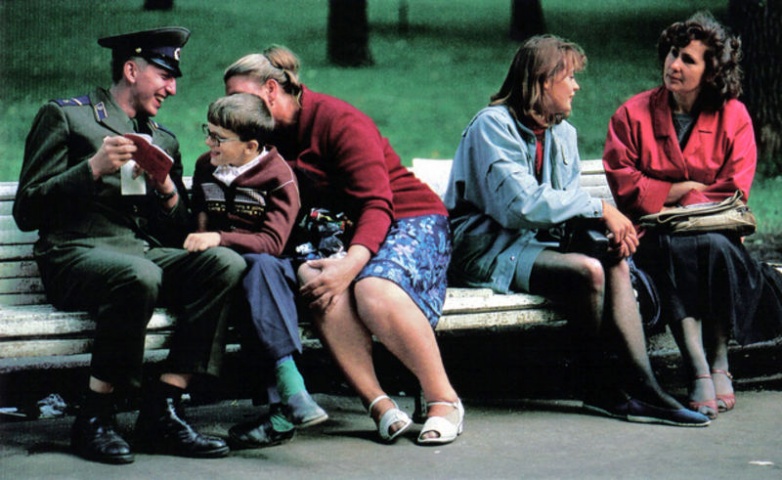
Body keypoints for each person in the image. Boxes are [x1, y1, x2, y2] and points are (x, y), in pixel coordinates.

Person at [444, 35, 710, 427]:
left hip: (537, 245)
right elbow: (520, 205)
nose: (576, 86)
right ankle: (600, 389)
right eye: (569, 77)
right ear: (542, 81)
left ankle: (647, 389)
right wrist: (601, 209)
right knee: (587, 272)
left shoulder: (563, 133)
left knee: (612, 259)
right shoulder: (492, 126)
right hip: (487, 250)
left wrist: (606, 232)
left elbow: (564, 207)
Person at [13, 28, 247, 464]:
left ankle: (164, 408)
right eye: (165, 76)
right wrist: (92, 168)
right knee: (140, 274)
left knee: (224, 264)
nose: (172, 89)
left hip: (138, 256)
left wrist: (167, 190)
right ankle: (95, 416)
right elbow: (27, 210)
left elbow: (176, 236)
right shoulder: (67, 117)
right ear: (131, 70)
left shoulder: (162, 140)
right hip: (73, 254)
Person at [221, 45, 464, 445]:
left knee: (373, 289)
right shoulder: (263, 139)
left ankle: (444, 399)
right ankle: (380, 405)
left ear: (270, 90)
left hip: (408, 218)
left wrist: (350, 265)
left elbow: (377, 203)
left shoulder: (339, 121)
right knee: (319, 284)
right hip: (342, 234)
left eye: (238, 97)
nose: (231, 107)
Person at [603, 12, 782, 420]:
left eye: (688, 59)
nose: (674, 64)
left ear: (711, 71)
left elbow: (734, 189)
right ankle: (697, 365)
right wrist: (682, 189)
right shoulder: (632, 114)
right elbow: (624, 181)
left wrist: (667, 194)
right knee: (676, 245)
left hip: (716, 234)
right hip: (653, 239)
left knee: (708, 244)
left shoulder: (734, 116)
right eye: (672, 53)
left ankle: (718, 361)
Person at [184, 93, 327, 448]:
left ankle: (287, 399)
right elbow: (199, 222)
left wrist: (220, 238)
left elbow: (273, 243)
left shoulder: (279, 177)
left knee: (260, 268)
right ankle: (291, 398)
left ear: (250, 146)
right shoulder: (206, 167)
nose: (208, 143)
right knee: (244, 276)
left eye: (218, 138)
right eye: (208, 132)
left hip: (271, 275)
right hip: (219, 272)